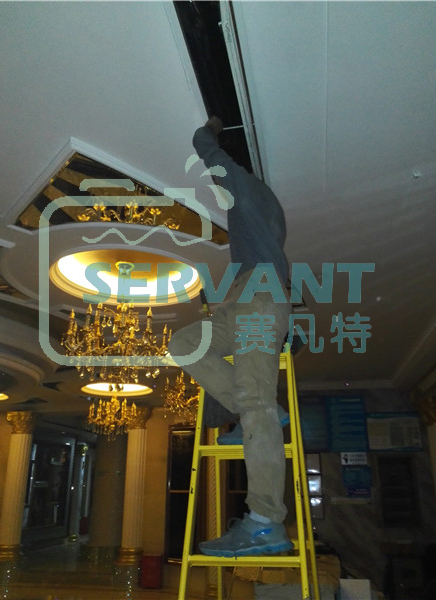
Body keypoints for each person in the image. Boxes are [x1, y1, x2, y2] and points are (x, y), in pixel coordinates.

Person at [169, 116, 293, 557]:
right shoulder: (257, 212)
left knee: (256, 403)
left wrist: (209, 130)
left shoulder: (249, 190)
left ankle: (264, 523)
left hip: (260, 296)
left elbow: (209, 152)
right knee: (183, 344)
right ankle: (256, 411)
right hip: (242, 298)